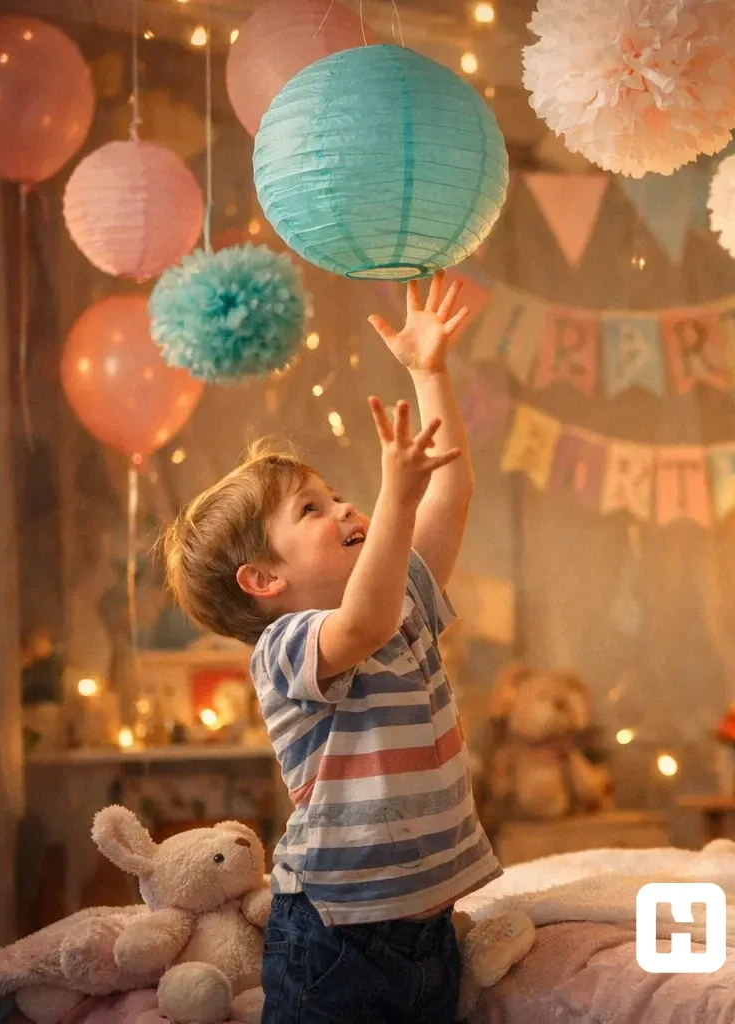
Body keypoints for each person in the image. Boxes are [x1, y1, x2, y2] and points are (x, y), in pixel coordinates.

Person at [157, 271, 499, 1022]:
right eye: (312, 509)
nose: (346, 507)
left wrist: (430, 373)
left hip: (426, 929)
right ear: (264, 579)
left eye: (337, 494)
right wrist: (395, 497)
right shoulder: (284, 647)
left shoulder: (400, 598)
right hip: (335, 936)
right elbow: (362, 627)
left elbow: (452, 493)